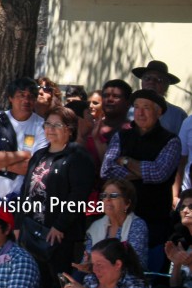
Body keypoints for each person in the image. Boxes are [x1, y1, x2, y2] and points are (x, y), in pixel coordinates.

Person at [101, 88, 181, 273]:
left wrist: (126, 161)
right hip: (119, 218)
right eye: (136, 107)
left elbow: (159, 173)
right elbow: (107, 171)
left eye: (146, 107)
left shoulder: (170, 140)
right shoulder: (121, 136)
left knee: (144, 271)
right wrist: (143, 171)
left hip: (154, 218)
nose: (140, 112)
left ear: (158, 112)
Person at [16, 105, 94, 288]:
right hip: (33, 229)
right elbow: (26, 190)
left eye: (56, 125)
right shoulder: (39, 155)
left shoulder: (78, 156)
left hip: (59, 234)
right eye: (47, 124)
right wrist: (18, 225)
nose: (50, 129)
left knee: (59, 282)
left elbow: (78, 196)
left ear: (70, 129)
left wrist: (60, 225)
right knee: (35, 281)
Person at [0, 77, 48, 203]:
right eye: (21, 95)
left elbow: (36, 168)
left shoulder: (42, 125)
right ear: (10, 98)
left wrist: (0, 165)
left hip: (25, 199)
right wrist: (25, 154)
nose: (26, 100)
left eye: (31, 96)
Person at [74, 179, 148, 272]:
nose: (107, 199)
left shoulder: (137, 225)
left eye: (113, 196)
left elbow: (135, 263)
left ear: (127, 203)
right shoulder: (96, 226)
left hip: (126, 279)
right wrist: (86, 264)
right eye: (104, 196)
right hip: (96, 277)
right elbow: (87, 258)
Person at [60, 238, 147, 288]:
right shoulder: (91, 280)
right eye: (93, 264)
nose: (94, 269)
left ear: (117, 264)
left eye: (99, 265)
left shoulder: (135, 285)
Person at [132, 59, 186, 135]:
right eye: (147, 78)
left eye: (159, 80)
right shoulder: (129, 109)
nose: (151, 82)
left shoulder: (178, 115)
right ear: (142, 82)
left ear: (166, 86)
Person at [89, 80, 132, 165]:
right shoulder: (91, 127)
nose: (109, 100)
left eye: (116, 96)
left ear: (128, 102)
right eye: (105, 96)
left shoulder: (133, 131)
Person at [166, 189, 192, 288]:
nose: (185, 210)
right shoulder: (181, 242)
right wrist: (177, 264)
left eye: (191, 207)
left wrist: (190, 264)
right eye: (182, 207)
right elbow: (174, 285)